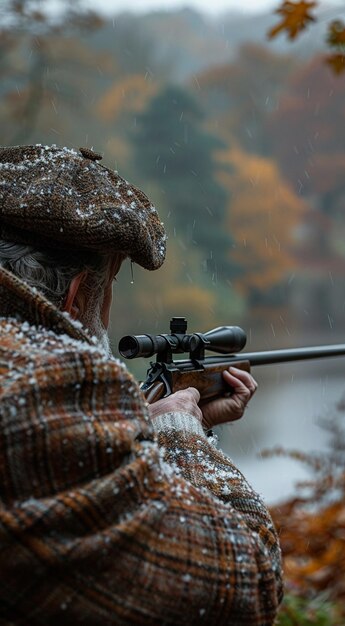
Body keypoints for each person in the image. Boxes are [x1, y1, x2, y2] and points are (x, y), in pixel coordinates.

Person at [0, 145, 283, 625]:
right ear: (75, 300)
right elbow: (246, 586)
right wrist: (179, 436)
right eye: (108, 287)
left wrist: (133, 433)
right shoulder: (35, 398)